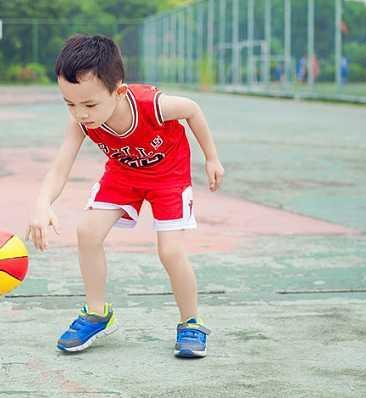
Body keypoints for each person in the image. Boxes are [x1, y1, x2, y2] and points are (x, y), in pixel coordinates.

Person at [26, 35, 225, 358]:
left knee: (170, 251)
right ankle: (97, 313)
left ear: (118, 91)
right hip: (124, 174)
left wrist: (212, 157)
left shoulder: (152, 105)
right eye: (70, 103)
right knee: (87, 231)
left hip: (168, 176)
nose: (80, 113)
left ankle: (191, 322)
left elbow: (193, 110)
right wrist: (41, 204)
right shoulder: (82, 122)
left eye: (89, 104)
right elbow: (60, 168)